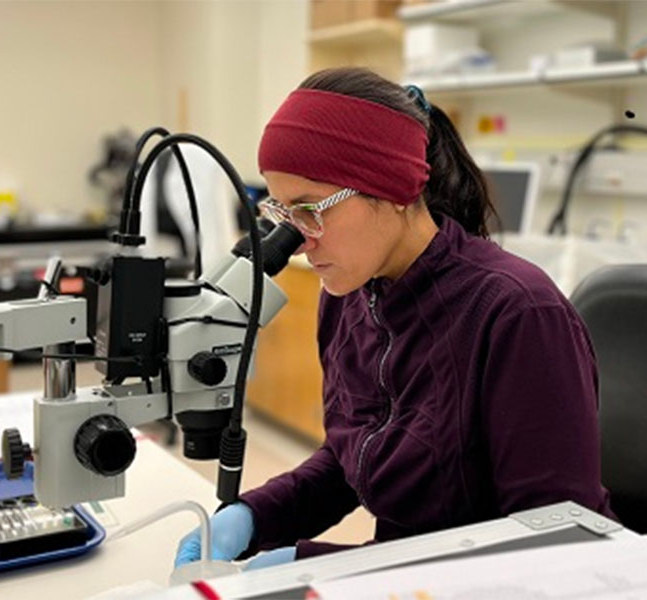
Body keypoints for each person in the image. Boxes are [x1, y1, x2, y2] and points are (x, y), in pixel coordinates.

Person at [174, 67, 615, 571]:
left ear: (396, 188)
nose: (298, 237)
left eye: (310, 209)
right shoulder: (347, 295)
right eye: (282, 211)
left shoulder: (516, 314)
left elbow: (554, 543)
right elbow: (356, 462)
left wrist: (324, 565)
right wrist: (255, 516)